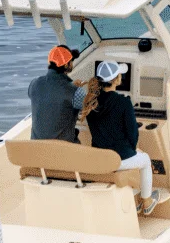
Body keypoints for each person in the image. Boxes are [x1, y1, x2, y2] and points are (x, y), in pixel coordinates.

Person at [79, 59, 162, 215]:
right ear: (116, 79)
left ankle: (135, 200)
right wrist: (133, 150)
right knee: (145, 160)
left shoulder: (90, 102)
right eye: (119, 75)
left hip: (100, 158)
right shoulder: (123, 102)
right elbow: (133, 134)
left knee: (136, 155)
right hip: (119, 159)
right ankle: (147, 202)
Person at [28, 46, 86, 142]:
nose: (72, 64)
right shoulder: (76, 91)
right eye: (71, 61)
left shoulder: (34, 83)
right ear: (66, 65)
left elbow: (50, 95)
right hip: (62, 148)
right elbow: (86, 110)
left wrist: (71, 85)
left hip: (36, 146)